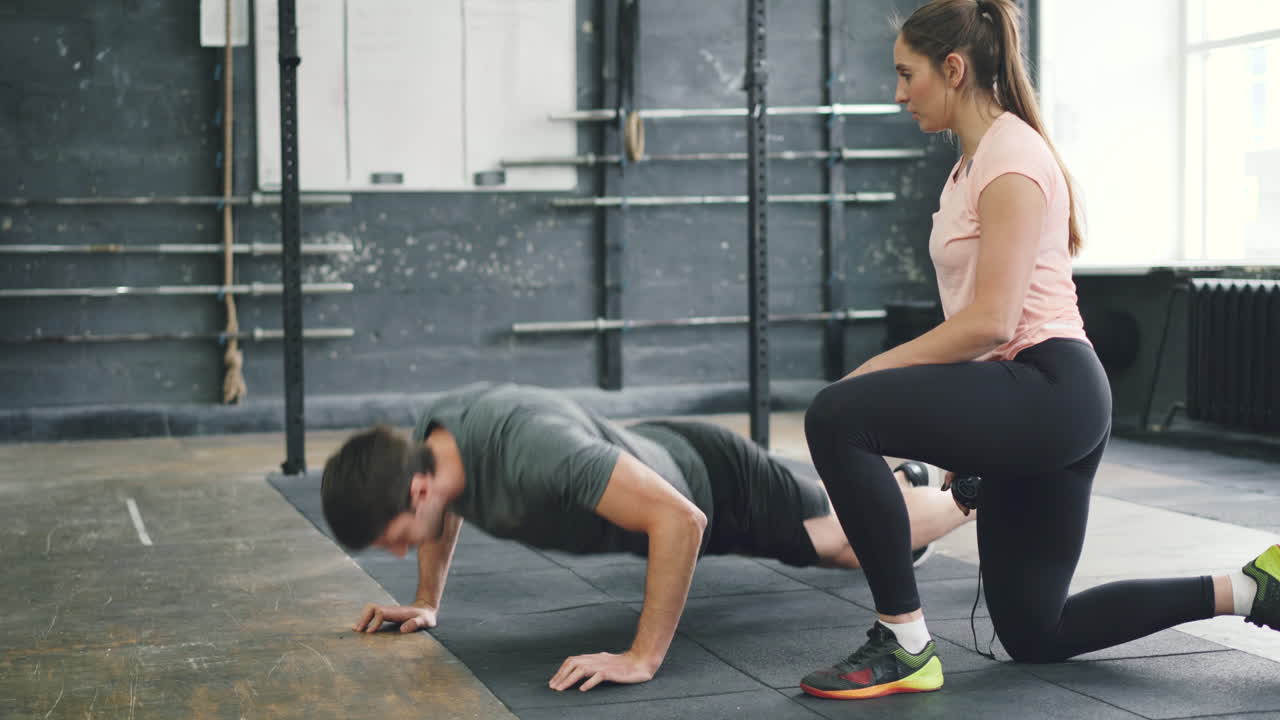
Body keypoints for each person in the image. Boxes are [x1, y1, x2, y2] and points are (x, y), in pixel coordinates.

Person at [797, 0, 1280, 701]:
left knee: (837, 414)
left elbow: (992, 322)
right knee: (1036, 633)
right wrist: (970, 442)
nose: (899, 92)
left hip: (1053, 391)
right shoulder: (971, 166)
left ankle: (902, 639)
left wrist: (875, 369)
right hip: (1029, 399)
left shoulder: (1012, 158)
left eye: (908, 74)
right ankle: (1252, 589)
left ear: (953, 69)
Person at [320, 382, 972, 692]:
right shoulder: (436, 450)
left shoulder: (533, 449)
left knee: (843, 542)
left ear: (416, 491)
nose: (403, 549)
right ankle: (905, 481)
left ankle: (972, 492)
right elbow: (444, 512)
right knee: (839, 511)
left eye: (398, 537)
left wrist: (641, 658)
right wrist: (427, 599)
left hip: (716, 485)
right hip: (659, 457)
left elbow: (680, 520)